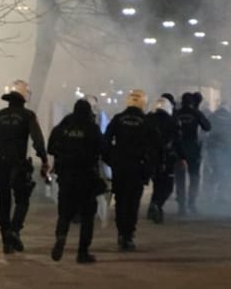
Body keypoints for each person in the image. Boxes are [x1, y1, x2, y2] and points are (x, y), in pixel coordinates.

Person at [0, 80, 50, 254]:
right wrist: (44, 159)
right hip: (18, 164)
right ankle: (14, 230)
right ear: (23, 99)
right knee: (22, 199)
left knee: (4, 202)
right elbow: (37, 139)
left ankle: (6, 242)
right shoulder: (28, 116)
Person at [48, 98, 104, 263]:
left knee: (64, 213)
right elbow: (103, 149)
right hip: (86, 178)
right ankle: (82, 252)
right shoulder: (92, 128)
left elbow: (50, 148)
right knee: (87, 216)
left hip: (65, 176)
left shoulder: (62, 128)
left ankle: (61, 236)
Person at [102, 89, 159, 250]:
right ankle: (129, 235)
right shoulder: (147, 121)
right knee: (133, 202)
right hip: (138, 167)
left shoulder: (118, 119)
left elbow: (105, 142)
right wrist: (150, 167)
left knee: (120, 200)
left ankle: (121, 233)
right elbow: (155, 146)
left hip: (120, 166)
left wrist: (111, 160)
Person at [146, 94, 183, 224]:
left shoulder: (148, 119)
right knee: (168, 186)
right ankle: (157, 205)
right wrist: (182, 157)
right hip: (167, 158)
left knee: (157, 184)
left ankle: (154, 209)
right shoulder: (172, 121)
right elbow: (177, 141)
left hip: (151, 157)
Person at [174, 91, 211, 215]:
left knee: (180, 178)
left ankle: (181, 206)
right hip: (193, 149)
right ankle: (192, 203)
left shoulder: (176, 113)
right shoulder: (196, 113)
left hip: (178, 149)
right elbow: (207, 127)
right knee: (194, 177)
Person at [203, 100, 231, 203]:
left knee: (215, 170)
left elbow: (206, 130)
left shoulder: (212, 116)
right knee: (225, 171)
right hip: (227, 147)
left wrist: (206, 146)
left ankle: (209, 193)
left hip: (213, 147)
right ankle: (221, 194)